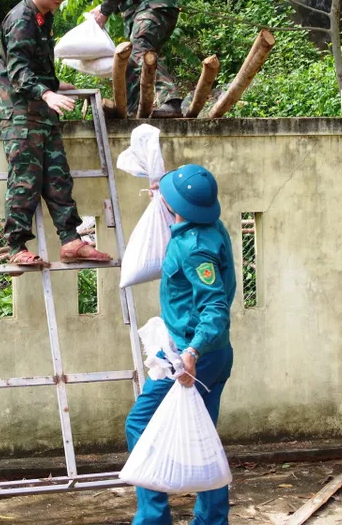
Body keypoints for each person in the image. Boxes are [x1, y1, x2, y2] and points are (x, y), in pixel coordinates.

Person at [125, 164, 235, 525]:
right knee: (203, 438)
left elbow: (215, 306)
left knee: (139, 424)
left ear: (179, 208)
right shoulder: (210, 227)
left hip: (190, 356)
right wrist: (163, 191)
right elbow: (177, 204)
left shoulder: (194, 248)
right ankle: (211, 521)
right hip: (211, 353)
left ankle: (154, 518)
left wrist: (192, 352)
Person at [0, 0, 112, 268]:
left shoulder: (44, 17)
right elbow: (18, 71)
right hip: (20, 113)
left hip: (43, 111)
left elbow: (36, 67)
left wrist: (55, 86)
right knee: (25, 179)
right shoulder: (20, 19)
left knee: (59, 177)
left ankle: (71, 241)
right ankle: (16, 246)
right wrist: (46, 94)